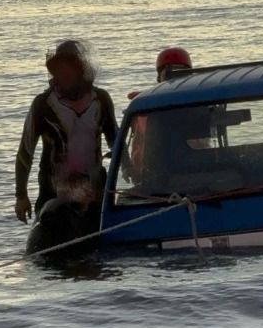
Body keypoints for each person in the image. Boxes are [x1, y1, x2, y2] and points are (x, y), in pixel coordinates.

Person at [15, 39, 117, 224]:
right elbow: (25, 152)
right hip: (53, 195)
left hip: (96, 192)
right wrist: (21, 196)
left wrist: (132, 173)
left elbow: (115, 142)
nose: (64, 75)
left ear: (81, 69)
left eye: (69, 69)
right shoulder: (43, 105)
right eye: (59, 71)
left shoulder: (101, 100)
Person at [123, 47, 193, 182]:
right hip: (150, 179)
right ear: (159, 77)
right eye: (170, 73)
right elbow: (134, 144)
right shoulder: (143, 107)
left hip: (190, 175)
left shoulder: (198, 106)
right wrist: (127, 167)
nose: (174, 78)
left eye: (180, 73)